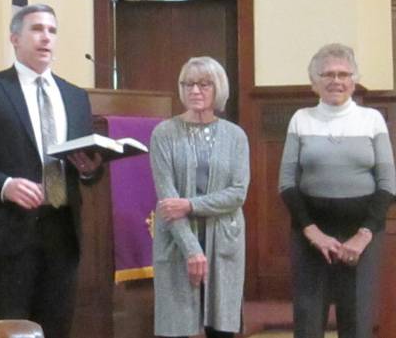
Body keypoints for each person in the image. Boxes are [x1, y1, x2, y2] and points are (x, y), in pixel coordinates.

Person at [0, 3, 103, 338]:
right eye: (37, 29)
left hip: (62, 230)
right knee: (11, 327)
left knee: (56, 325)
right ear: (15, 38)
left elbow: (83, 164)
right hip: (9, 232)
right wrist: (5, 184)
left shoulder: (75, 97)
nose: (46, 37)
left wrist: (90, 170)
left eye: (52, 30)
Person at [278, 43, 395, 338]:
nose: (336, 80)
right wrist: (311, 231)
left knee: (356, 321)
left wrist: (363, 234)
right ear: (314, 82)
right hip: (311, 234)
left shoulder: (372, 120)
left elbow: (388, 183)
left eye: (344, 74)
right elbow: (287, 183)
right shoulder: (301, 119)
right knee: (307, 322)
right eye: (328, 74)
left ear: (354, 80)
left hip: (362, 234)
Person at [149, 57, 249, 338]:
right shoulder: (163, 133)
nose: (195, 90)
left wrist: (191, 205)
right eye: (188, 83)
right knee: (176, 326)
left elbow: (238, 194)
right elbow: (168, 201)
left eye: (204, 84)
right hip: (178, 241)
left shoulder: (236, 136)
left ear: (218, 88)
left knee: (221, 327)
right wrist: (192, 250)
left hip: (224, 240)